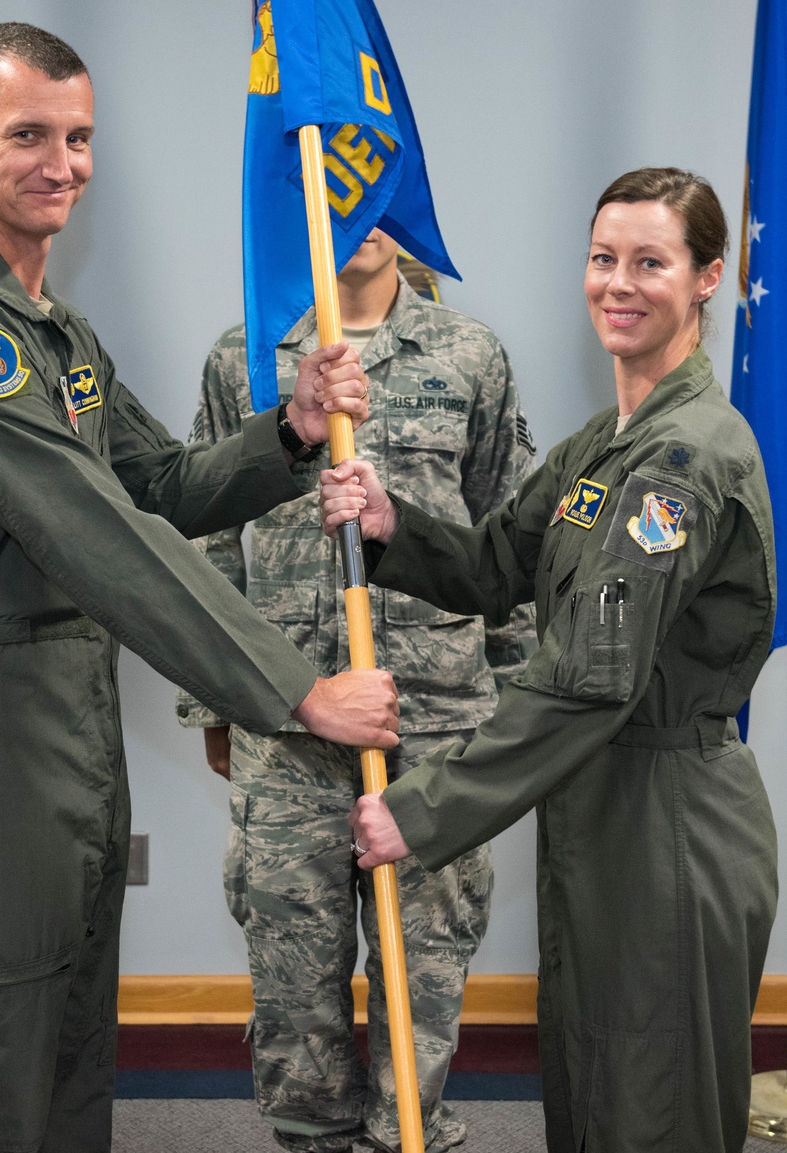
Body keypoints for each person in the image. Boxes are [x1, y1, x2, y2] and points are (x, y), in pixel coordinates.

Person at [0, 23, 401, 1153]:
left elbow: (155, 482)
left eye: (81, 136)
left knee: (63, 1054)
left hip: (64, 733)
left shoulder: (53, 332)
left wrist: (288, 432)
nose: (65, 162)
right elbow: (104, 537)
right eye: (30, 135)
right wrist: (297, 691)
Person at [320, 169, 779, 1153]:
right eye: (602, 258)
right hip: (595, 811)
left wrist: (422, 806)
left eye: (649, 262)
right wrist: (391, 523)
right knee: (590, 1094)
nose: (618, 282)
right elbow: (495, 565)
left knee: (651, 1112)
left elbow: (587, 676)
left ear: (705, 278)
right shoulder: (599, 447)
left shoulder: (685, 458)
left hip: (667, 825)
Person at [176, 227, 537, 1153]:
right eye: (337, 181)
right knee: (294, 983)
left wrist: (516, 704)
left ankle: (411, 1136)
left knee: (426, 972)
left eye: (376, 184)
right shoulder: (247, 356)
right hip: (288, 720)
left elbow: (508, 540)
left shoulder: (469, 355)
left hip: (436, 722)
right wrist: (216, 701)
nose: (360, 211)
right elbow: (206, 537)